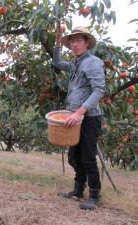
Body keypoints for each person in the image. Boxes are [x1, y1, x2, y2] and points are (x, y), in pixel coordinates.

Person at [53, 26, 105, 210]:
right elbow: (58, 63)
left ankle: (95, 196)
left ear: (87, 43)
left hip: (88, 118)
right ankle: (77, 190)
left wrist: (79, 112)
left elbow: (99, 90)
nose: (75, 45)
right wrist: (58, 41)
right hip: (75, 118)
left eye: (78, 41)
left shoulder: (93, 62)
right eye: (72, 41)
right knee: (74, 156)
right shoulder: (75, 63)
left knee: (88, 157)